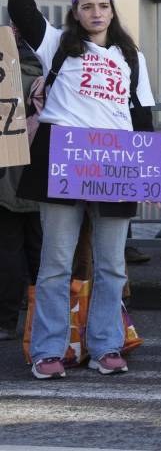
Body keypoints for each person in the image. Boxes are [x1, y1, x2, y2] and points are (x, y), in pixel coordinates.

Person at [9, 0, 157, 379]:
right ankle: (49, 351)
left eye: (103, 5)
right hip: (64, 160)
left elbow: (143, 115)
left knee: (112, 265)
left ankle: (106, 345)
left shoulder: (131, 56)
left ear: (113, 10)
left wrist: (153, 167)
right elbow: (20, 8)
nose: (96, 12)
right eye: (87, 6)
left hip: (115, 163)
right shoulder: (56, 43)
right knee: (56, 261)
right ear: (76, 12)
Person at [0, 31, 43, 342]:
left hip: (6, 178)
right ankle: (46, 318)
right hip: (43, 178)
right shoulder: (46, 78)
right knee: (42, 252)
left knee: (9, 250)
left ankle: (6, 320)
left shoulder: (5, 80)